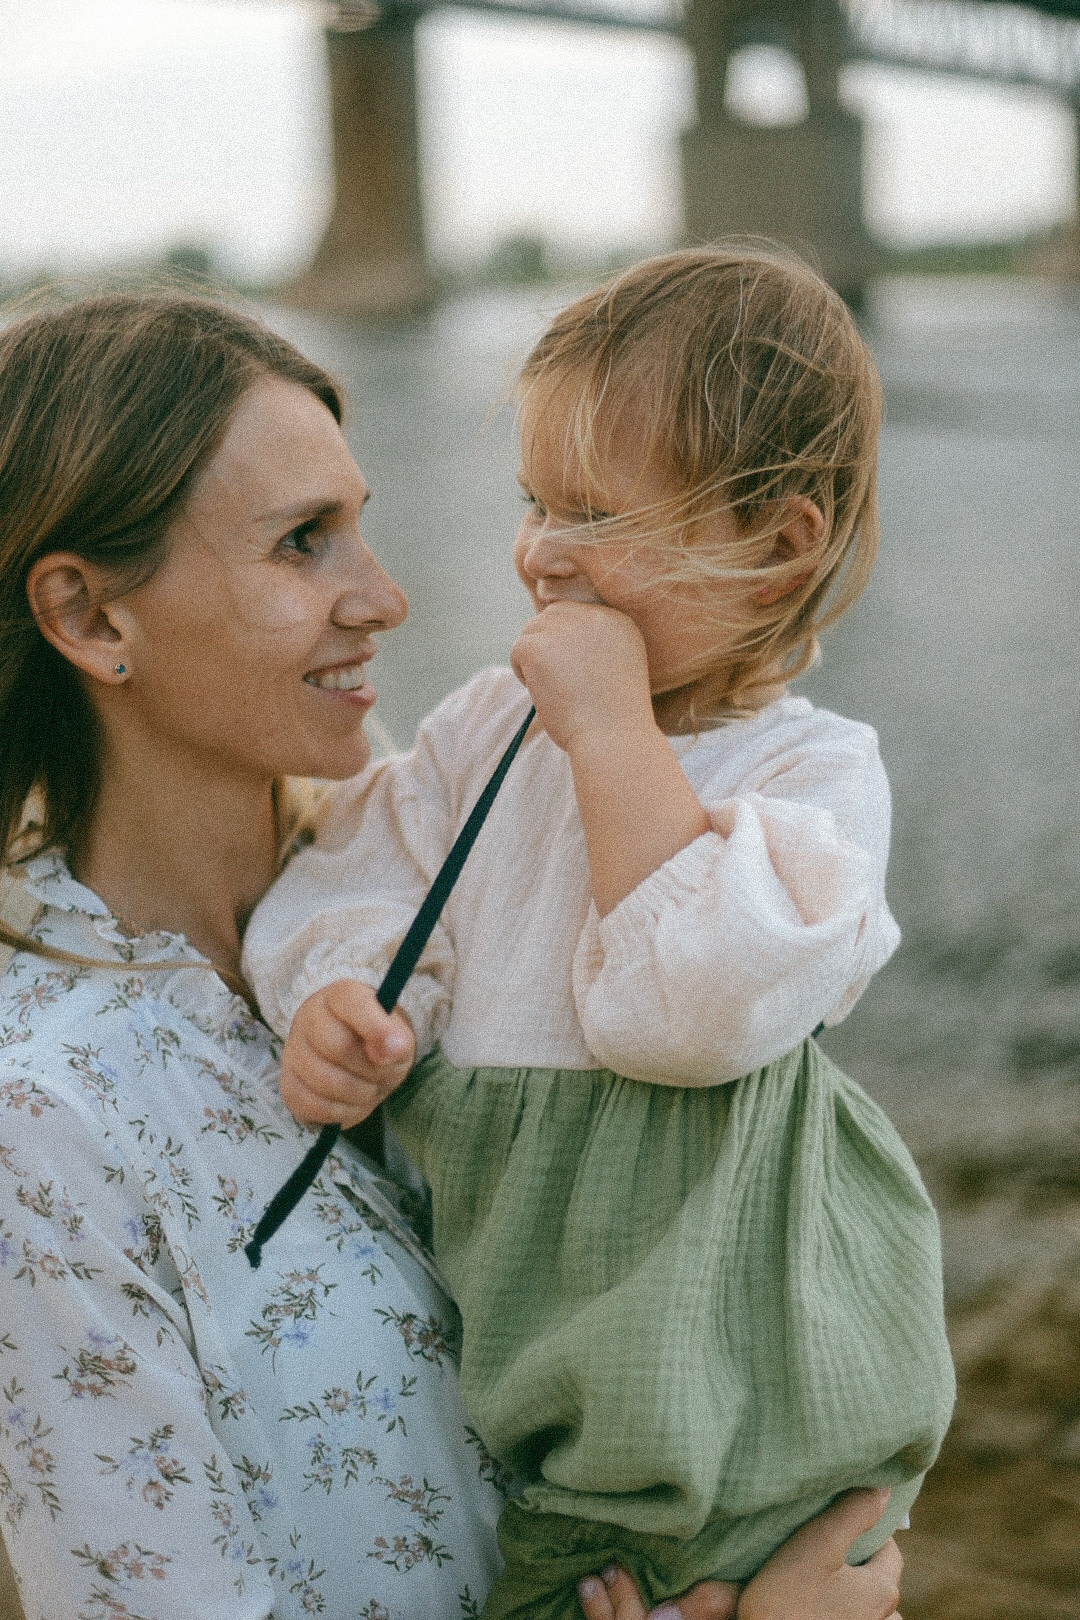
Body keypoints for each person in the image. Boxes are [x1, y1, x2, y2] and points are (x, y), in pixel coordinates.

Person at [0, 289, 907, 1620]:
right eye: (303, 542)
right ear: (91, 620)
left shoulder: (454, 858)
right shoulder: (41, 1120)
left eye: (361, 525)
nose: (390, 597)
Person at [243, 249, 956, 1620]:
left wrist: (613, 731)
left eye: (598, 514)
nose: (541, 552)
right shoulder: (485, 727)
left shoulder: (813, 779)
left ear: (777, 546)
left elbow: (689, 1014)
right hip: (548, 1366)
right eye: (535, 501)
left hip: (744, 1387)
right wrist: (342, 991)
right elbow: (352, 873)